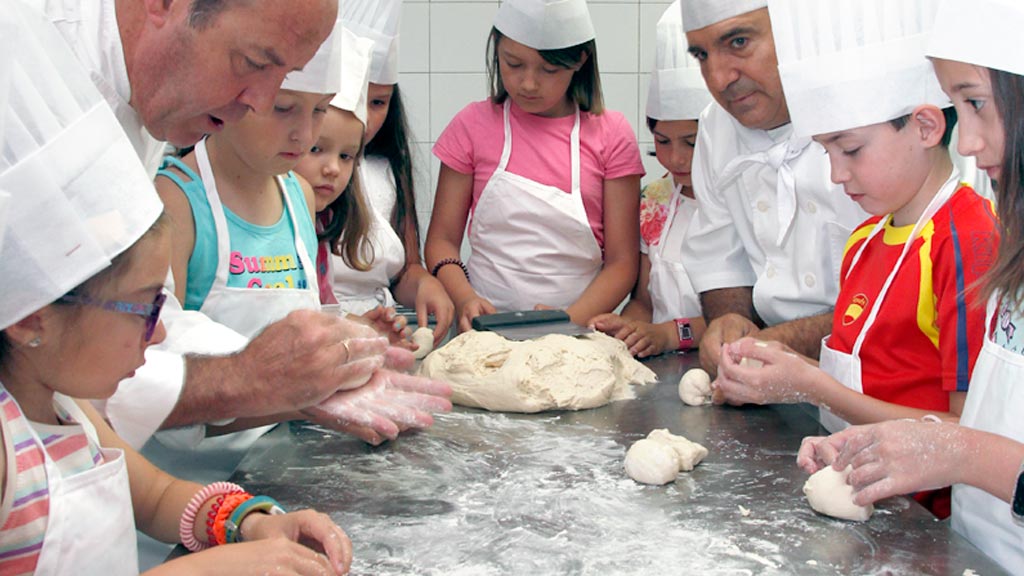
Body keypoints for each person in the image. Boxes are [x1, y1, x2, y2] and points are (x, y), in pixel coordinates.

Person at [14, 0, 441, 454]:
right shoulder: (28, 65)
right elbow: (64, 347)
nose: (255, 102)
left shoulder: (144, 103)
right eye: (254, 64)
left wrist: (286, 379)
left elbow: (143, 327)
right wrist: (250, 378)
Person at [0, 24, 351, 574]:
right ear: (30, 317)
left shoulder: (69, 412)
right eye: (143, 306)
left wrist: (248, 523)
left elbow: (161, 498)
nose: (162, 332)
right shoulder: (7, 447)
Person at [713, 0, 998, 518]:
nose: (837, 175)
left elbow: (967, 431)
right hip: (866, 492)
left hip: (929, 517)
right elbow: (870, 374)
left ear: (927, 127)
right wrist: (788, 370)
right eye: (826, 152)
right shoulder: (866, 237)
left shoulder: (965, 241)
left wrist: (811, 386)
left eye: (851, 150)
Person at [153, 17, 450, 481]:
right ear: (234, 93)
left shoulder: (297, 196)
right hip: (188, 486)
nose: (304, 136)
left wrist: (346, 340)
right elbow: (149, 384)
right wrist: (300, 393)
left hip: (280, 463)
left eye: (319, 111)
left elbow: (296, 319)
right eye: (285, 108)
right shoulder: (177, 202)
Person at [796, 0, 1023, 570]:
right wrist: (887, 446)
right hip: (974, 547)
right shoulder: (1014, 237)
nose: (966, 141)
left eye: (975, 103)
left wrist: (954, 449)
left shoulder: (972, 237)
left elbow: (966, 426)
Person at [677, 0, 871, 376]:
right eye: (701, 55)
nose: (719, 79)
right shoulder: (716, 127)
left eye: (738, 43)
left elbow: (905, 298)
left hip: (886, 385)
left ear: (794, 31)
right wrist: (729, 323)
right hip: (772, 381)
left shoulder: (869, 121)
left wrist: (773, 343)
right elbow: (720, 259)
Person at [425, 0, 645, 331]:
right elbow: (441, 240)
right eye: (513, 64)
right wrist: (465, 299)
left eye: (549, 70)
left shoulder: (611, 135)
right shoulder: (472, 124)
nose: (528, 83)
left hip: (576, 334)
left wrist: (564, 322)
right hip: (484, 329)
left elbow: (622, 263)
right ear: (497, 50)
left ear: (580, 61)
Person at [587, 2, 711, 358]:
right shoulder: (654, 199)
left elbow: (749, 316)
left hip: (726, 362)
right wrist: (627, 328)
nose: (676, 159)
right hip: (663, 365)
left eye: (692, 142)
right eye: (662, 142)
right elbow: (643, 299)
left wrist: (669, 334)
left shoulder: (742, 202)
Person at [338, 0, 455, 346]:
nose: (366, 119)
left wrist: (423, 283)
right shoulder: (301, 171)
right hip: (324, 330)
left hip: (383, 329)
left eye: (378, 103)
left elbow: (404, 270)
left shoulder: (388, 169)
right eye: (356, 99)